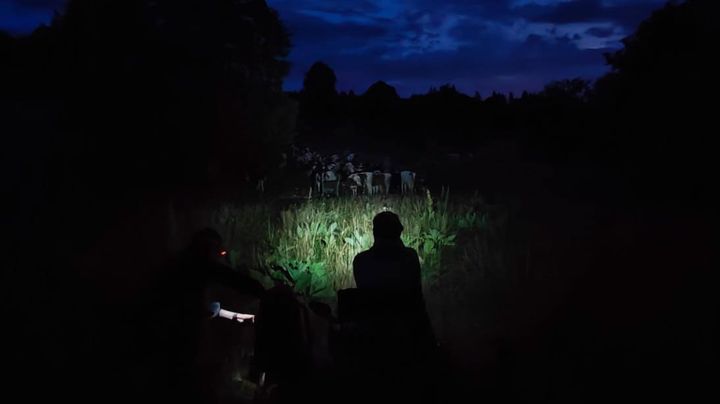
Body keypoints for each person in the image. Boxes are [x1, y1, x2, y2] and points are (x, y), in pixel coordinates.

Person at [347, 212, 438, 402]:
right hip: (407, 329)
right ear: (399, 232)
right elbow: (415, 297)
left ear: (375, 233)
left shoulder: (361, 260)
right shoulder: (410, 258)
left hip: (374, 331)